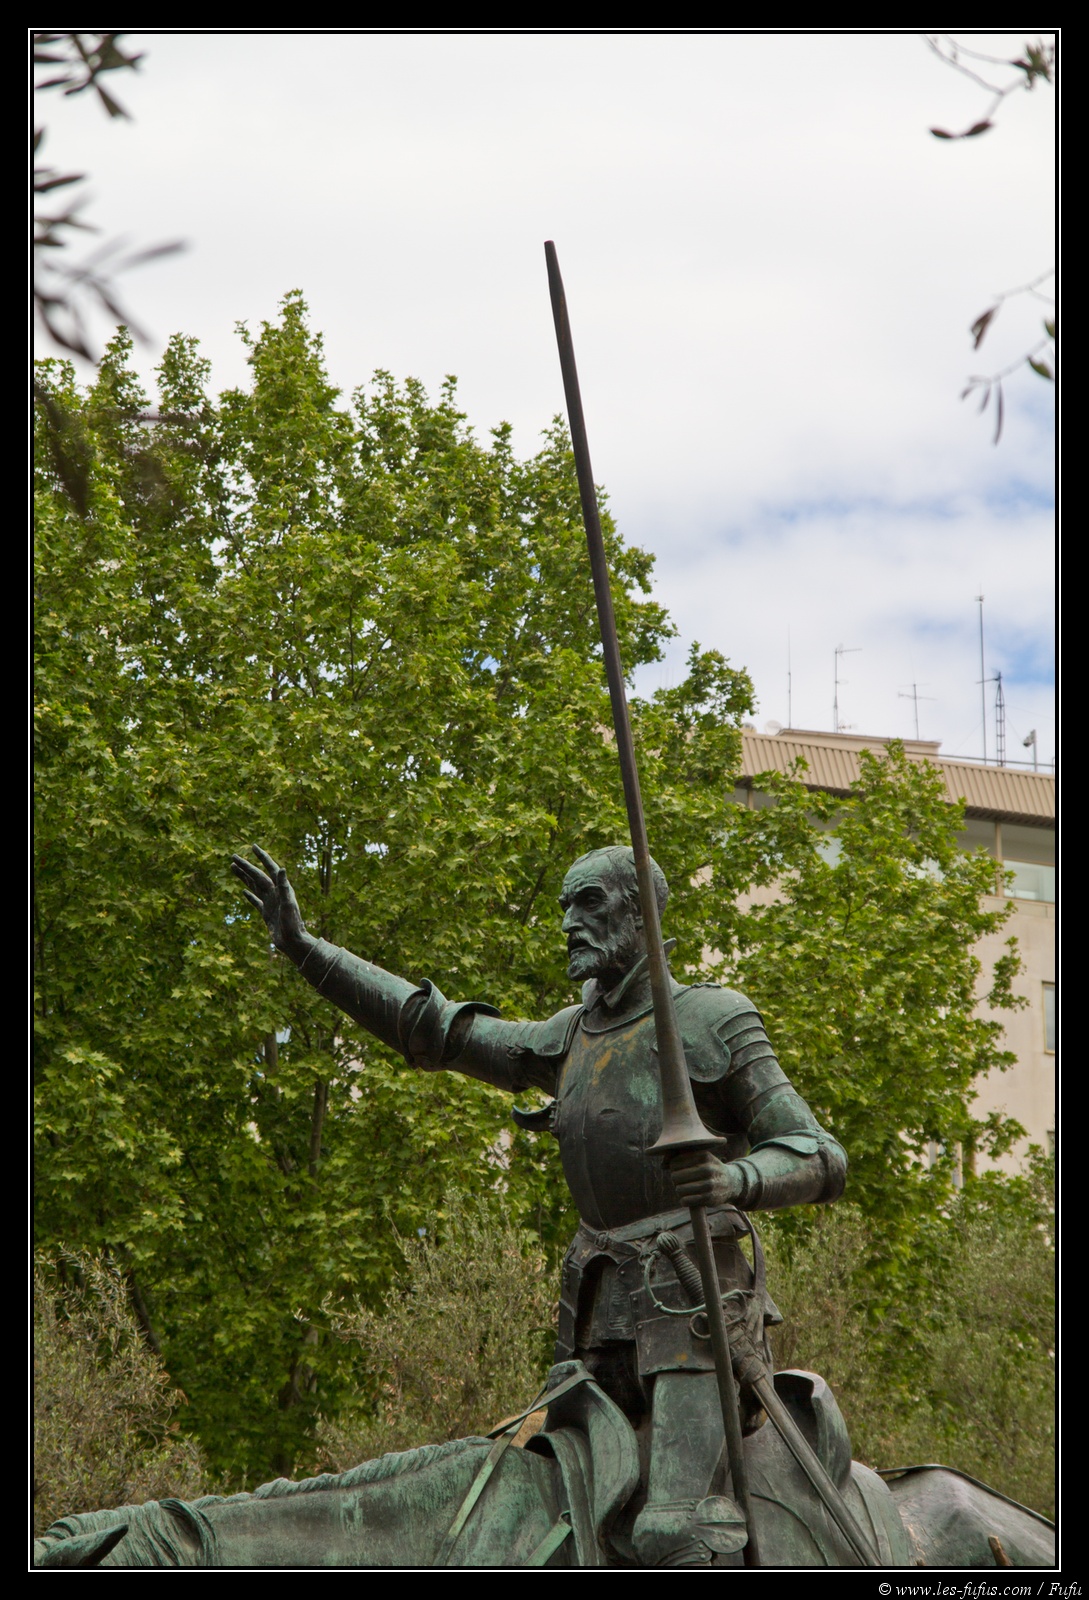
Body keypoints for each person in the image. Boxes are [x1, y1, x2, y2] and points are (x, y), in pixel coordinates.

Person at [231, 841, 846, 1568]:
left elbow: (817, 1153)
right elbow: (437, 1030)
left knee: (672, 1531)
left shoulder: (715, 1019)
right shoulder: (569, 1035)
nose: (568, 923)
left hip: (692, 1316)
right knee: (541, 1526)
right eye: (563, 906)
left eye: (589, 903)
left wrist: (734, 1181)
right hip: (593, 1320)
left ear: (641, 914)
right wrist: (306, 950)